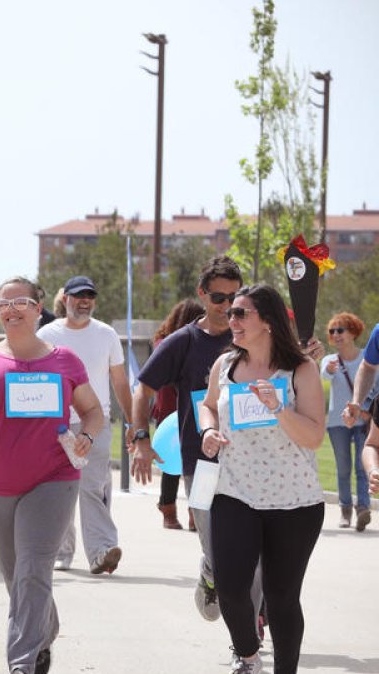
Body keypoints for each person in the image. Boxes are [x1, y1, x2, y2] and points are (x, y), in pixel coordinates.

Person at [0, 276, 103, 674]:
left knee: (34, 568)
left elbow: (94, 412)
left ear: (39, 308)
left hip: (53, 478)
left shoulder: (64, 359)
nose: (11, 309)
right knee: (17, 575)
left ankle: (21, 663)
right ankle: (43, 630)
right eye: (4, 303)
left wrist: (86, 436)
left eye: (21, 302)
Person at [198, 285, 325, 674]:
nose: (230, 320)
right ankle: (248, 655)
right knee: (232, 587)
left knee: (281, 596)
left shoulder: (301, 369)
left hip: (295, 502)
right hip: (235, 492)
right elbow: (207, 405)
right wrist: (207, 431)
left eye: (240, 314)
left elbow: (314, 436)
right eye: (230, 313)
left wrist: (279, 408)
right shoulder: (225, 365)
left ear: (266, 322)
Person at [128, 256, 257, 626]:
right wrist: (140, 439)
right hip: (198, 462)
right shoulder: (182, 342)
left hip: (249, 460)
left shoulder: (253, 338)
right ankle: (211, 572)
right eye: (218, 297)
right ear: (202, 294)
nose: (227, 306)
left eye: (235, 298)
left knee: (253, 551)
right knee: (217, 551)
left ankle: (251, 625)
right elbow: (144, 389)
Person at [37, 276, 131, 575]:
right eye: (78, 296)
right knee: (59, 489)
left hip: (96, 422)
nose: (85, 301)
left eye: (90, 295)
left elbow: (119, 381)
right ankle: (62, 553)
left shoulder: (106, 335)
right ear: (65, 299)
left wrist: (132, 422)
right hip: (56, 425)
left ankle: (101, 551)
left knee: (92, 487)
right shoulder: (46, 334)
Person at [150, 299, 206, 530]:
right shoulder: (169, 342)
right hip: (170, 406)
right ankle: (168, 508)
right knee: (172, 460)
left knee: (200, 460)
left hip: (194, 406)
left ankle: (197, 511)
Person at [321, 312, 376, 531]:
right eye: (332, 331)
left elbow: (375, 384)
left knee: (362, 468)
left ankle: (362, 508)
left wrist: (366, 410)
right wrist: (328, 370)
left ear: (353, 332)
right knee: (343, 468)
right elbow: (323, 376)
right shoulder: (329, 361)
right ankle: (345, 510)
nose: (336, 335)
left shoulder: (368, 357)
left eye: (340, 330)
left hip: (363, 420)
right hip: (337, 422)